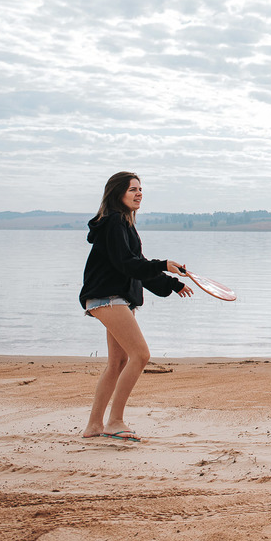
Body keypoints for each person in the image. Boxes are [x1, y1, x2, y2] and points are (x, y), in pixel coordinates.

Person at [79, 171, 193, 442]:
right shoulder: (115, 222)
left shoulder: (122, 224)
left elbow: (136, 266)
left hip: (112, 298)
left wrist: (172, 283)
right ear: (117, 193)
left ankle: (94, 425)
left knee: (117, 363)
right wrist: (163, 264)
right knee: (140, 355)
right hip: (108, 298)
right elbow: (127, 264)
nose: (139, 193)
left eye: (140, 189)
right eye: (132, 189)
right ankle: (115, 421)